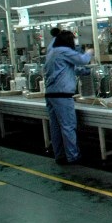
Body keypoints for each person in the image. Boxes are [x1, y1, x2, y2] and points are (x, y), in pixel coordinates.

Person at [44, 30, 93, 163]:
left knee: (55, 127)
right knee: (68, 126)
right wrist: (89, 51)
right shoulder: (64, 51)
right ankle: (73, 156)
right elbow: (82, 60)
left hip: (50, 94)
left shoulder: (52, 52)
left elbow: (69, 69)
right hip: (62, 96)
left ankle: (59, 155)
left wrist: (87, 72)